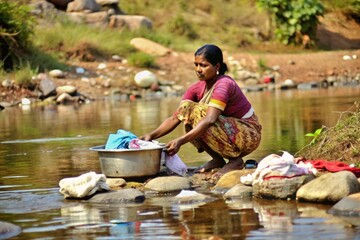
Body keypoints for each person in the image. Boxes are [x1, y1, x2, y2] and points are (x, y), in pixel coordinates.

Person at [139, 44, 262, 178]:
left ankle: (235, 161)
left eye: (203, 65)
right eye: (196, 65)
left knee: (200, 113)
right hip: (228, 131)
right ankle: (217, 160)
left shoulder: (224, 84)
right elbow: (176, 117)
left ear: (217, 66)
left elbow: (210, 119)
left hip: (249, 134)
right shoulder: (195, 89)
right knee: (187, 112)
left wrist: (180, 141)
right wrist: (150, 136)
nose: (198, 70)